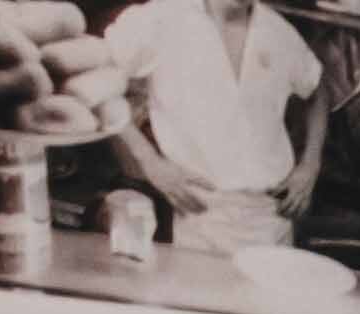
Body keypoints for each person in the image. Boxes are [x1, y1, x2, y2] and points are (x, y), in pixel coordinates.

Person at [105, 0, 323, 245]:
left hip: (270, 215)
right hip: (198, 213)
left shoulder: (278, 32)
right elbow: (99, 84)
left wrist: (310, 164)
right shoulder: (162, 18)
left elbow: (316, 90)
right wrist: (148, 160)